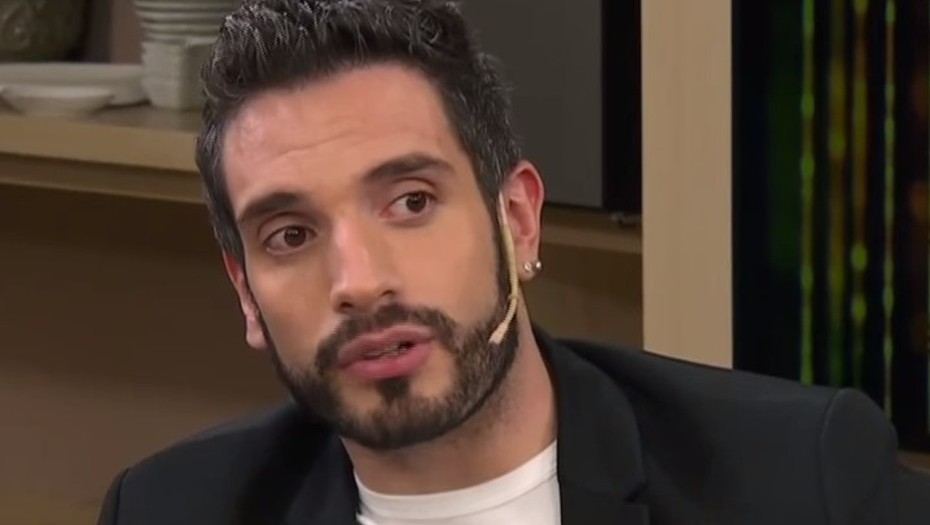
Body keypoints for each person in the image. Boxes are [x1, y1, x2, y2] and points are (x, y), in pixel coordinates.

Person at [97, 1, 913, 523]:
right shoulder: (169, 509)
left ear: (517, 221)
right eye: (290, 236)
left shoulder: (802, 480)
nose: (359, 281)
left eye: (411, 201)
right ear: (246, 292)